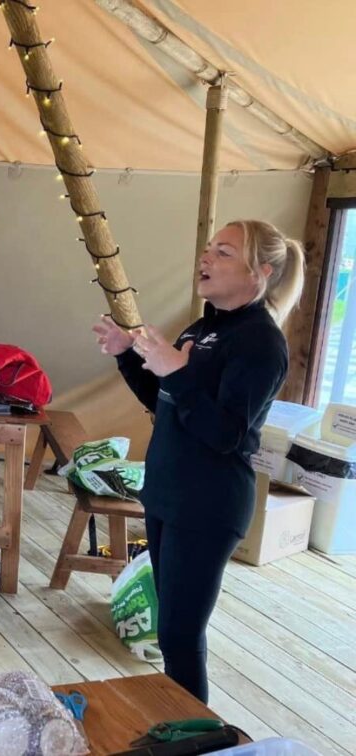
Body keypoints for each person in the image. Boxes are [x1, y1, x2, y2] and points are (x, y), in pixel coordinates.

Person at [92, 220, 304, 703]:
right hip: (168, 493)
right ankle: (179, 726)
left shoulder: (260, 342)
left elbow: (226, 434)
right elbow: (166, 399)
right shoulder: (205, 326)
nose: (206, 259)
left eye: (224, 252)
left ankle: (195, 737)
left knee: (181, 637)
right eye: (209, 249)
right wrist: (130, 357)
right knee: (170, 628)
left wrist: (178, 372)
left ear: (261, 272)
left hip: (208, 504)